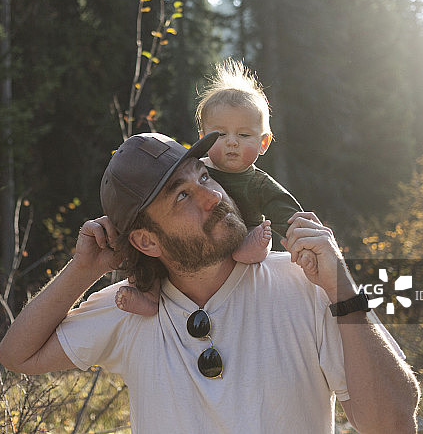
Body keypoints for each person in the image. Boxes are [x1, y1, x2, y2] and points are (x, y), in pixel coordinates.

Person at [0, 132, 421, 433]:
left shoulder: (305, 284)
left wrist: (343, 290)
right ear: (146, 240)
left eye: (204, 177)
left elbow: (394, 426)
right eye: (182, 196)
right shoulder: (131, 308)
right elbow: (18, 354)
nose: (212, 196)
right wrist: (83, 271)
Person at [115, 59, 314, 317]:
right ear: (203, 137)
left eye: (243, 135)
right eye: (220, 134)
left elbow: (285, 211)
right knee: (155, 253)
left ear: (263, 143)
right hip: (198, 245)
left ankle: (250, 247)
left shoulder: (258, 183)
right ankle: (149, 296)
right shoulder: (193, 169)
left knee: (260, 239)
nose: (232, 143)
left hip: (247, 232)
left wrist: (304, 244)